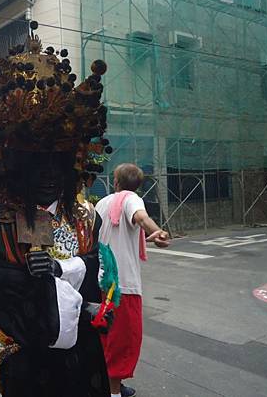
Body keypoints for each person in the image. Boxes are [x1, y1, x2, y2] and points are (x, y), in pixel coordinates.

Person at [0, 22, 112, 397]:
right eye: (32, 161)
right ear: (8, 161)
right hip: (25, 362)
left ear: (73, 160)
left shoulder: (88, 217)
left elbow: (98, 284)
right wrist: (36, 280)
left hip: (83, 359)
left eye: (57, 159)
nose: (47, 174)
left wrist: (62, 269)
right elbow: (2, 304)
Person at [95, 163, 170, 397]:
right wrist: (156, 230)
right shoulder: (132, 199)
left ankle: (110, 386)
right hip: (123, 286)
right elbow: (141, 217)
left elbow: (117, 236)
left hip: (101, 280)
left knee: (105, 339)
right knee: (123, 342)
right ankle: (114, 393)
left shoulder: (102, 203)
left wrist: (148, 236)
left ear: (115, 182)